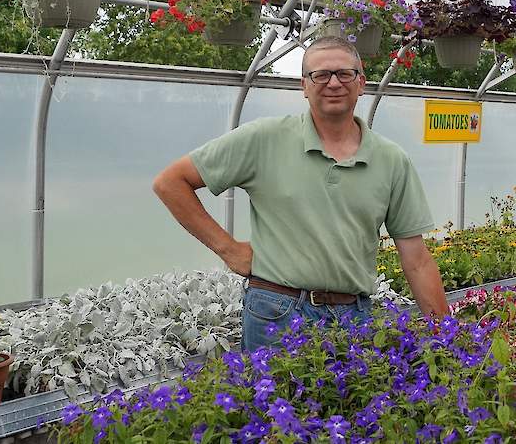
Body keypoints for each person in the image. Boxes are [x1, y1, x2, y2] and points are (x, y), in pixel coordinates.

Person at [152, 36, 449, 351]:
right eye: (320, 75)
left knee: (351, 401)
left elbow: (416, 260)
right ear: (304, 86)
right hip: (276, 311)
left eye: (344, 74)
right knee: (272, 399)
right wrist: (228, 249)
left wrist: (448, 337)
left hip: (353, 317)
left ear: (361, 83)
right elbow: (171, 183)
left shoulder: (391, 160)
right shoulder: (264, 138)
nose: (333, 83)